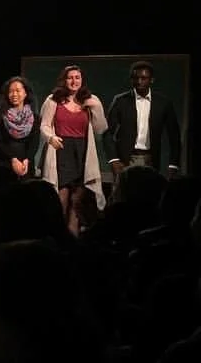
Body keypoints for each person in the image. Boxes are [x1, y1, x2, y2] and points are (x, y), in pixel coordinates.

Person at [39, 64, 107, 234]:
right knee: (61, 198)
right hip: (61, 151)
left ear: (82, 80)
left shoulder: (90, 101)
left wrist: (95, 106)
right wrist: (51, 137)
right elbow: (44, 125)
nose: (74, 81)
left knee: (77, 201)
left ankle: (73, 242)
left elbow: (100, 129)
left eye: (77, 77)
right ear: (64, 80)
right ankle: (57, 238)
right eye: (70, 77)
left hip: (82, 152)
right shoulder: (53, 100)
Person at [104, 60, 182, 180]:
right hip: (125, 159)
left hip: (151, 159)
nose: (139, 81)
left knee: (149, 196)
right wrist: (113, 160)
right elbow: (108, 131)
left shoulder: (163, 103)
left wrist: (174, 164)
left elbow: (174, 135)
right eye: (136, 78)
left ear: (151, 80)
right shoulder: (121, 100)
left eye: (143, 78)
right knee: (123, 196)